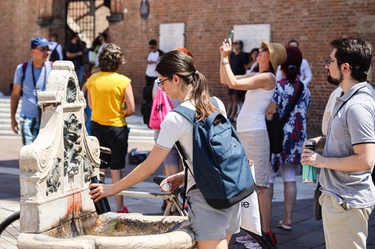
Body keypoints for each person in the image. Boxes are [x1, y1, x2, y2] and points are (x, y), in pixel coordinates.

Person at [90, 50, 239, 249]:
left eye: (161, 81)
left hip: (208, 197)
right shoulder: (216, 103)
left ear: (175, 79)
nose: (160, 87)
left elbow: (149, 165)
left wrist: (112, 188)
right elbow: (216, 155)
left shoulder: (176, 118)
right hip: (233, 188)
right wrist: (183, 175)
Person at [301, 37, 375, 249]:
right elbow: (347, 139)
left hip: (346, 202)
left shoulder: (357, 106)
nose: (326, 65)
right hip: (339, 199)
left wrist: (320, 161)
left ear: (345, 67)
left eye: (330, 61)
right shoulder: (347, 98)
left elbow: (365, 160)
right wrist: (321, 141)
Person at [220, 39, 286, 248]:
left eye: (265, 50)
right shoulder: (258, 75)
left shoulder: (267, 77)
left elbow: (234, 83)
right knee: (249, 184)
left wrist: (225, 57)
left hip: (256, 135)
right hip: (248, 133)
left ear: (272, 57)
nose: (260, 51)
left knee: (261, 185)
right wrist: (224, 58)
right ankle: (254, 230)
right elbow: (226, 79)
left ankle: (265, 233)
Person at [86, 43, 135, 213]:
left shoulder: (92, 80)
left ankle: (98, 207)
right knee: (116, 170)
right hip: (117, 128)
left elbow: (91, 105)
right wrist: (120, 113)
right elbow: (131, 108)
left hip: (97, 127)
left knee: (100, 169)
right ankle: (120, 208)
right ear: (118, 61)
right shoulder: (123, 81)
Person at [267, 46, 311, 231]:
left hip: (278, 138)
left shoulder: (279, 87)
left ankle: (265, 221)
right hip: (297, 139)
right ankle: (288, 219)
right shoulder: (304, 89)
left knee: (268, 178)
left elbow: (270, 112)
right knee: (290, 176)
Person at [151, 47, 192, 211]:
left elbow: (156, 100)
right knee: (185, 164)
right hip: (183, 125)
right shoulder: (191, 82)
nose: (162, 86)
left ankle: (171, 203)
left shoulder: (159, 81)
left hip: (165, 125)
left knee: (170, 165)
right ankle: (183, 200)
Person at [10, 36, 53, 146]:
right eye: (43, 49)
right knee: (29, 154)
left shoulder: (53, 68)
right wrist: (13, 118)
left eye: (48, 49)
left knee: (44, 156)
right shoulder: (22, 69)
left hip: (47, 119)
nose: (46, 52)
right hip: (27, 118)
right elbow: (15, 95)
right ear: (33, 51)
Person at [141, 39, 164, 126]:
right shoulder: (149, 53)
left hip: (155, 75)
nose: (151, 49)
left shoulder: (160, 53)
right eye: (150, 47)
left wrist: (154, 62)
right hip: (148, 74)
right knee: (148, 91)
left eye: (153, 47)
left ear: (156, 46)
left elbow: (161, 62)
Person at [226, 40, 249, 122]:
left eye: (236, 43)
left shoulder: (243, 55)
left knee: (235, 97)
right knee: (230, 97)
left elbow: (246, 67)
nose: (235, 45)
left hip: (239, 78)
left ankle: (232, 114)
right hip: (232, 77)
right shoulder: (232, 55)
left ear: (240, 45)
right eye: (234, 43)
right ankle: (227, 114)